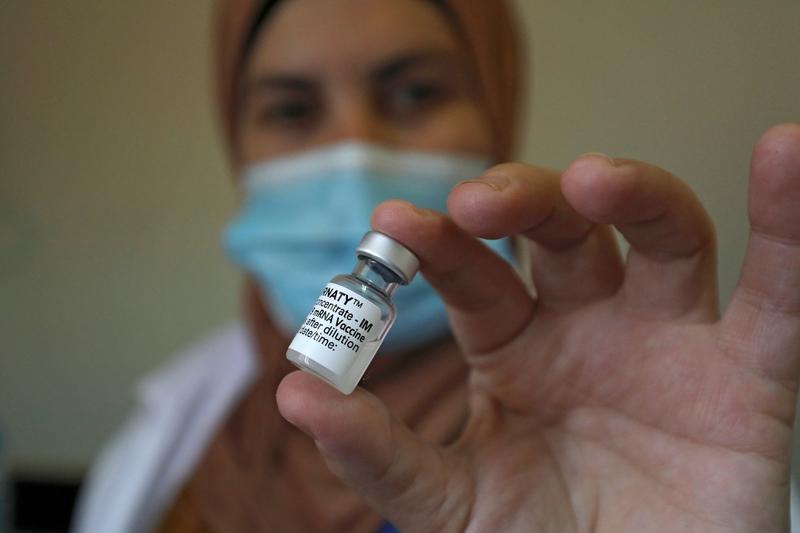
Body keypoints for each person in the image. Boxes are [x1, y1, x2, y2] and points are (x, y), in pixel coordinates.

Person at [73, 0, 800, 532]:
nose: (356, 149)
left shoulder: (646, 443)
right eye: (293, 109)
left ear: (497, 110)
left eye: (418, 92)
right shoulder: (168, 447)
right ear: (237, 145)